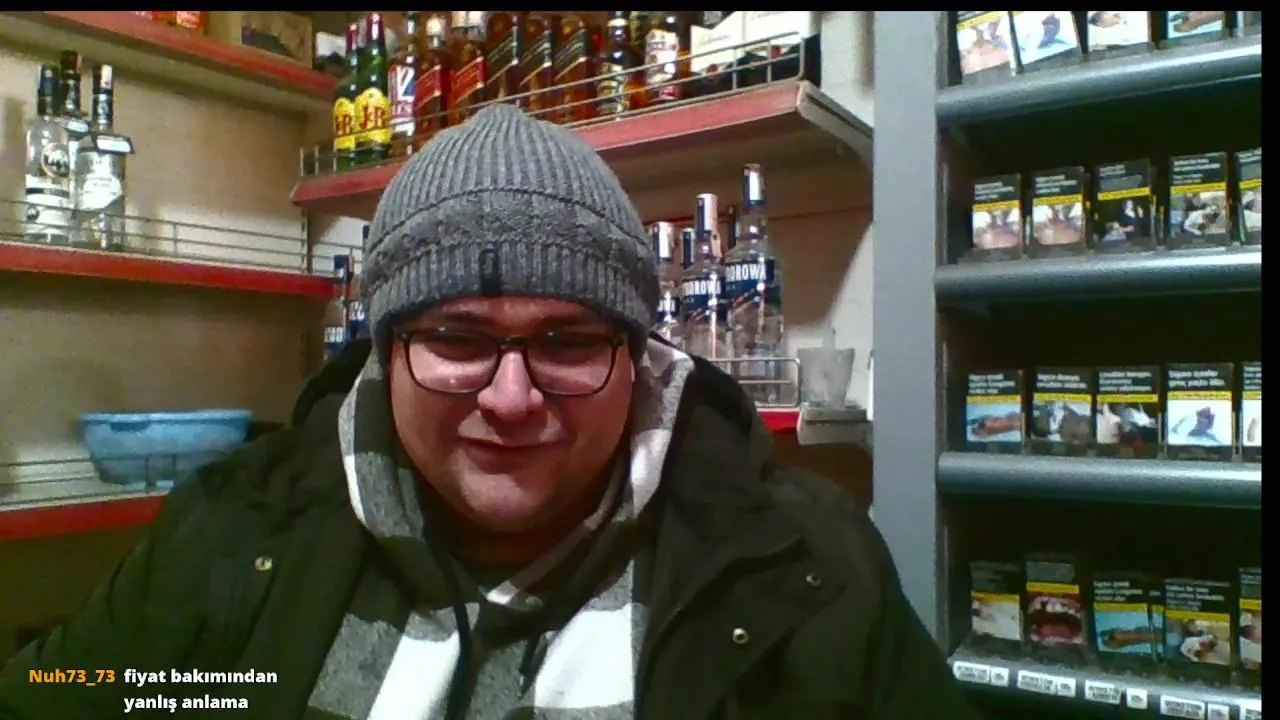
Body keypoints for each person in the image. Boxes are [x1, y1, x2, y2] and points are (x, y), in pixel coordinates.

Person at [0, 104, 980, 720]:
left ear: (638, 359)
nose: (511, 401)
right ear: (384, 353)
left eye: (567, 343)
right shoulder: (231, 533)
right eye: (458, 340)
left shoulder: (804, 565)